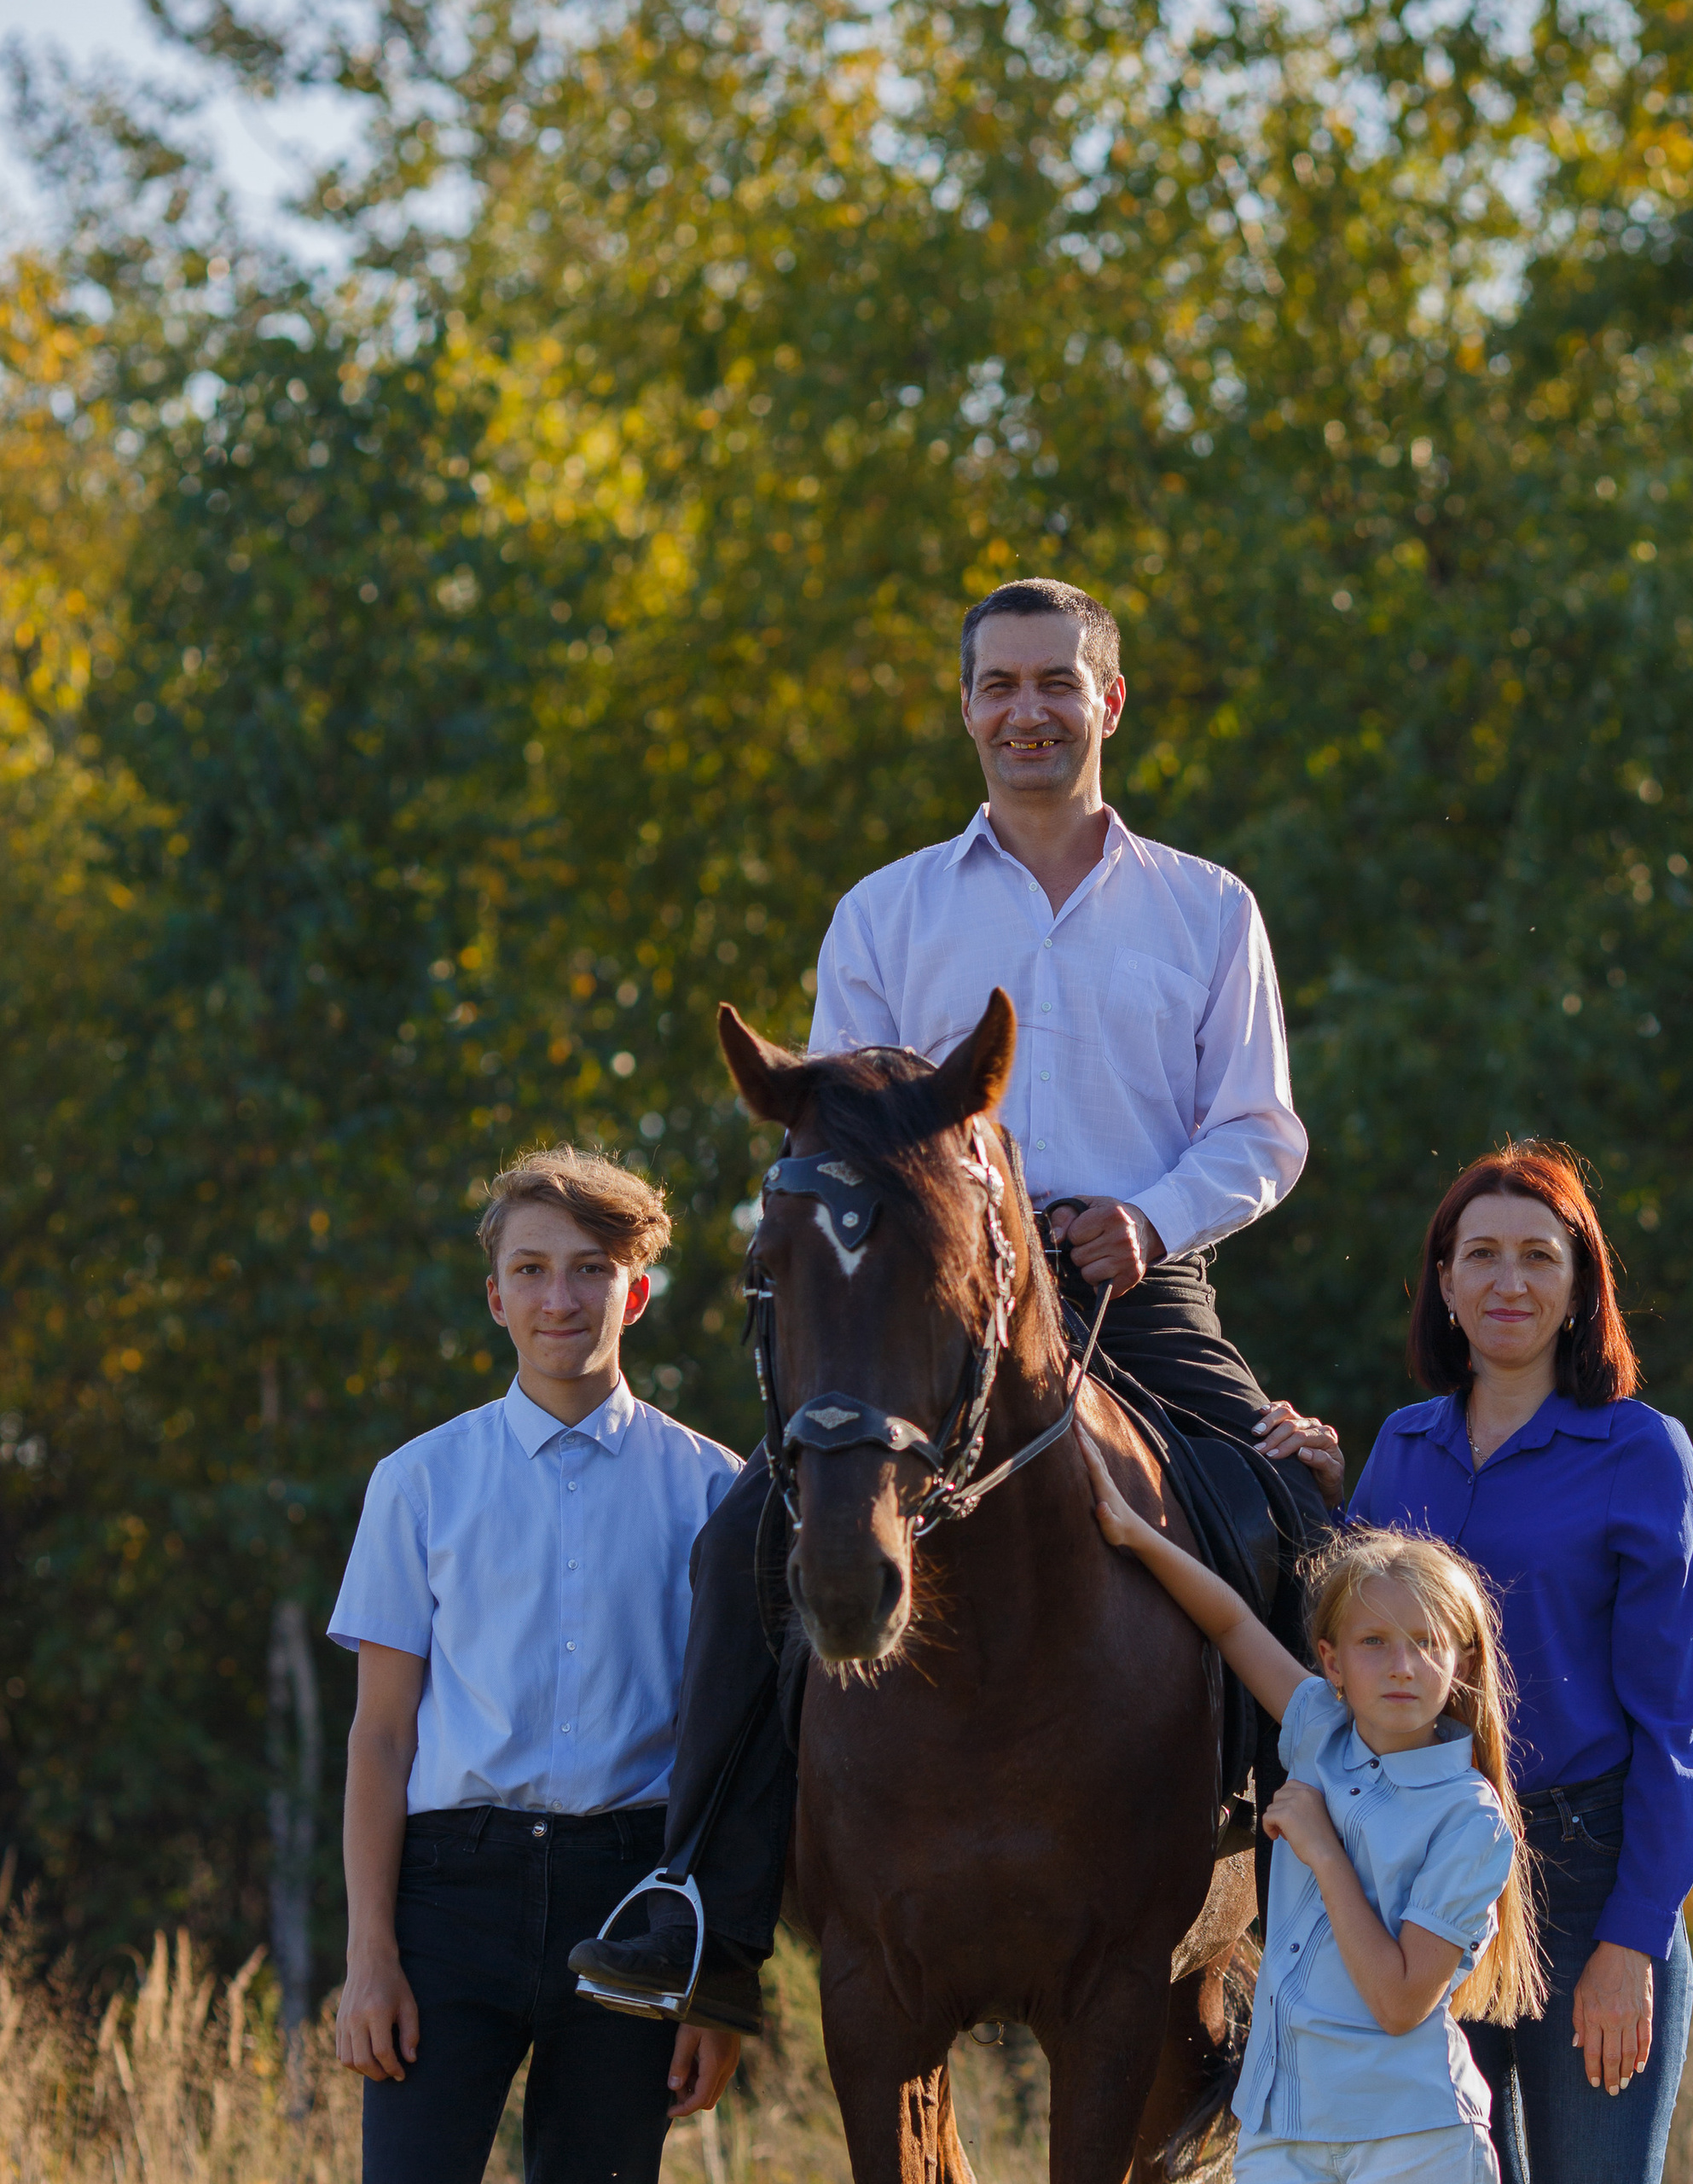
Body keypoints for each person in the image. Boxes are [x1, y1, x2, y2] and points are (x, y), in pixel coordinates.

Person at [571, 575, 1344, 2024]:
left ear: (1106, 702)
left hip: (1135, 1293)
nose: (1027, 711)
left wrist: (1148, 1216)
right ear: (969, 709)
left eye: (1057, 683)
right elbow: (837, 1130)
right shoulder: (888, 910)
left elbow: (1262, 1130)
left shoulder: (1207, 907)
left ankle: (1315, 1916)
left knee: (1291, 1520)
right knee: (745, 1537)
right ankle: (703, 1904)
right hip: (921, 1313)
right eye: (999, 685)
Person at [328, 1147, 741, 2184]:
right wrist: (369, 1955)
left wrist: (718, 1983)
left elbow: (730, 1758)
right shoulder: (417, 1484)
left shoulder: (716, 1495)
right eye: (531, 1269)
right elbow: (381, 1737)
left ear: (635, 1291)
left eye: (592, 1267)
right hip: (447, 1900)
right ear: (495, 1296)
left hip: (632, 1902)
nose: (560, 1296)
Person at [1340, 1140, 1693, 2184]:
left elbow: (1675, 1729)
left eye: (1540, 1256)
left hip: (1584, 1877)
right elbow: (1347, 1645)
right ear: (1444, 1284)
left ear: (1581, 1283)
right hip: (1419, 1875)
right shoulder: (1399, 1448)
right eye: (1483, 1255)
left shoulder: (1640, 1453)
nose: (1511, 1281)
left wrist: (1632, 1940)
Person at [1081, 1441, 1545, 2183]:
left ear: (1461, 1660)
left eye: (1427, 1644)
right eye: (1375, 1643)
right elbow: (1231, 1625)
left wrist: (1323, 1851)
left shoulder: (1470, 1818)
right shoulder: (1317, 1726)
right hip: (1279, 2131)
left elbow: (1398, 2002)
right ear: (1331, 1662)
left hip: (1411, 2139)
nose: (1402, 1666)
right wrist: (1137, 1532)